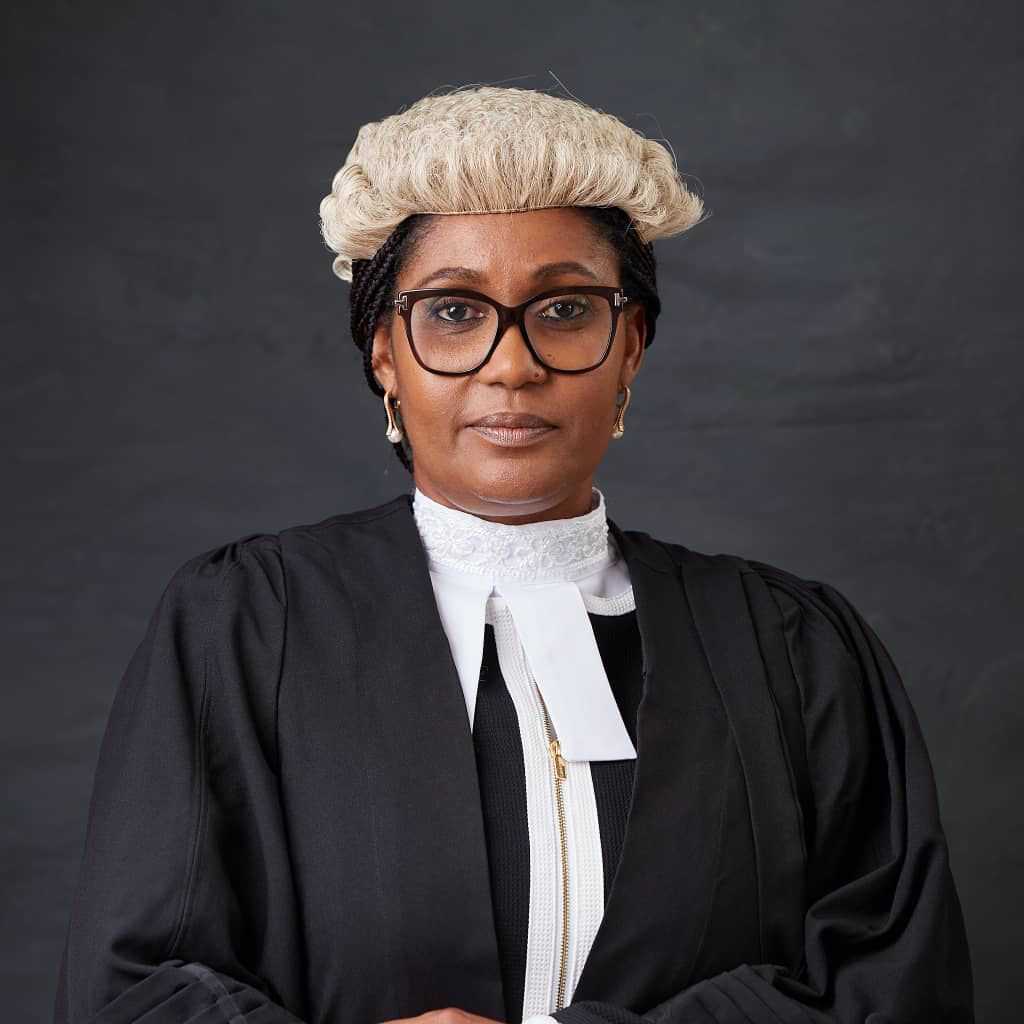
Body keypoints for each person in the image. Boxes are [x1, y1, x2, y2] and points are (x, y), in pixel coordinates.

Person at [53, 85, 975, 1024]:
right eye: (454, 312)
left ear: (631, 346)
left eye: (565, 308)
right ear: (384, 354)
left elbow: (896, 983)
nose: (512, 364)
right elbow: (137, 990)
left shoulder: (789, 646)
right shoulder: (248, 626)